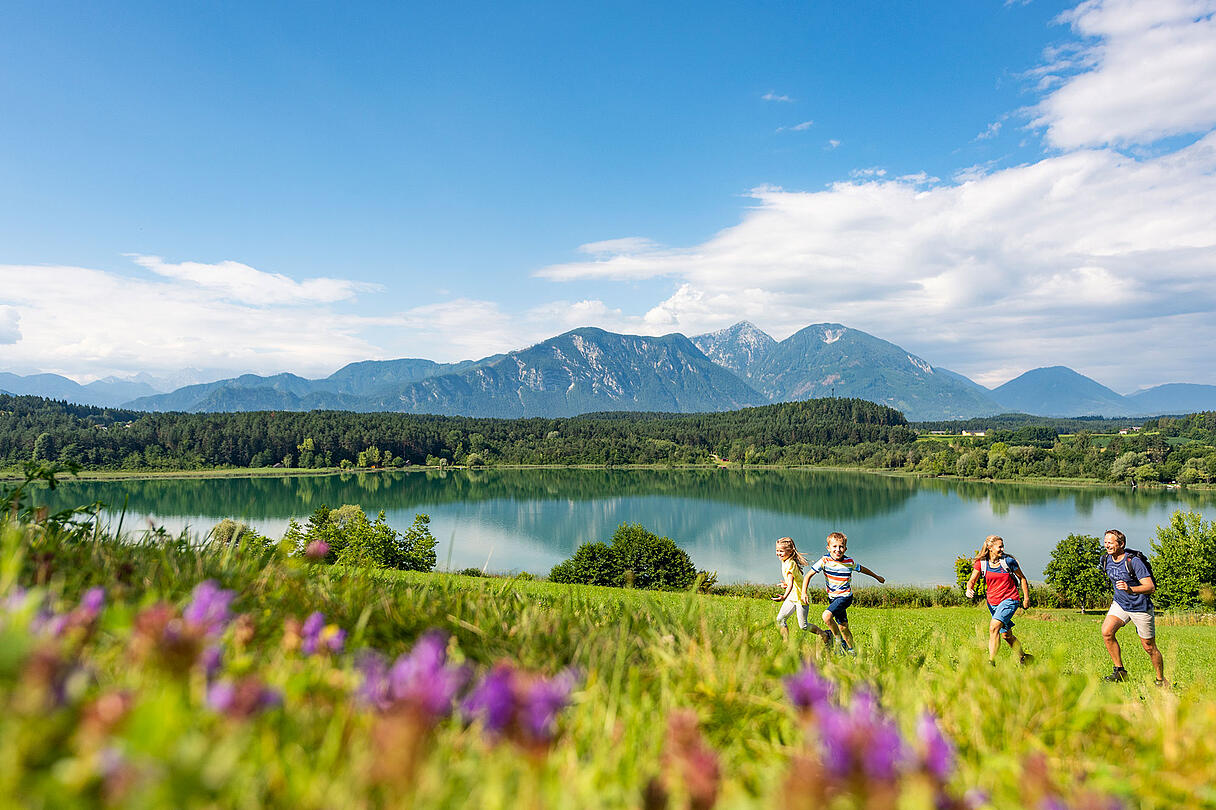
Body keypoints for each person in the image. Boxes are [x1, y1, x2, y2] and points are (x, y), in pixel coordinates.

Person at [1099, 528, 1165, 685]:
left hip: (1140, 607)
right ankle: (1119, 671)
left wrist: (1130, 589)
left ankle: (1161, 680)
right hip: (1120, 604)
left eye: (1110, 542)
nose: (1107, 545)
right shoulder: (1106, 560)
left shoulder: (1133, 562)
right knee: (1107, 632)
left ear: (1121, 544)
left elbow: (1150, 587)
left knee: (1149, 647)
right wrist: (1123, 593)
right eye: (1105, 542)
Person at [801, 532, 884, 655]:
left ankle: (838, 641)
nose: (838, 550)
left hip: (845, 597)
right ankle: (852, 650)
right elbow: (808, 575)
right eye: (834, 547)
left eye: (841, 546)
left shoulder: (849, 562)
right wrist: (804, 593)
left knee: (826, 616)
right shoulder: (824, 560)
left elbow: (863, 569)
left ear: (845, 548)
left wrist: (877, 577)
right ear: (828, 548)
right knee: (843, 626)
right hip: (833, 598)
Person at [965, 535, 1033, 666]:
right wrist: (969, 589)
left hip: (1010, 599)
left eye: (1003, 546)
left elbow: (1022, 578)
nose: (1002, 549)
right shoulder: (981, 563)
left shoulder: (1008, 562)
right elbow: (972, 580)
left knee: (993, 627)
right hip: (993, 603)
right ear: (990, 548)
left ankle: (991, 662)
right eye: (999, 546)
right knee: (1006, 635)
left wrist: (1026, 598)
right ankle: (1024, 658)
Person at [772, 537, 830, 643]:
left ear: (790, 551)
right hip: (792, 597)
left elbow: (791, 583)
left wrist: (784, 596)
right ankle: (786, 643)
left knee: (803, 625)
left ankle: (825, 635)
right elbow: (793, 582)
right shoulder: (785, 561)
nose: (778, 553)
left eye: (781, 551)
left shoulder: (790, 564)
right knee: (780, 619)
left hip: (801, 598)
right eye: (777, 550)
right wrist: (786, 585)